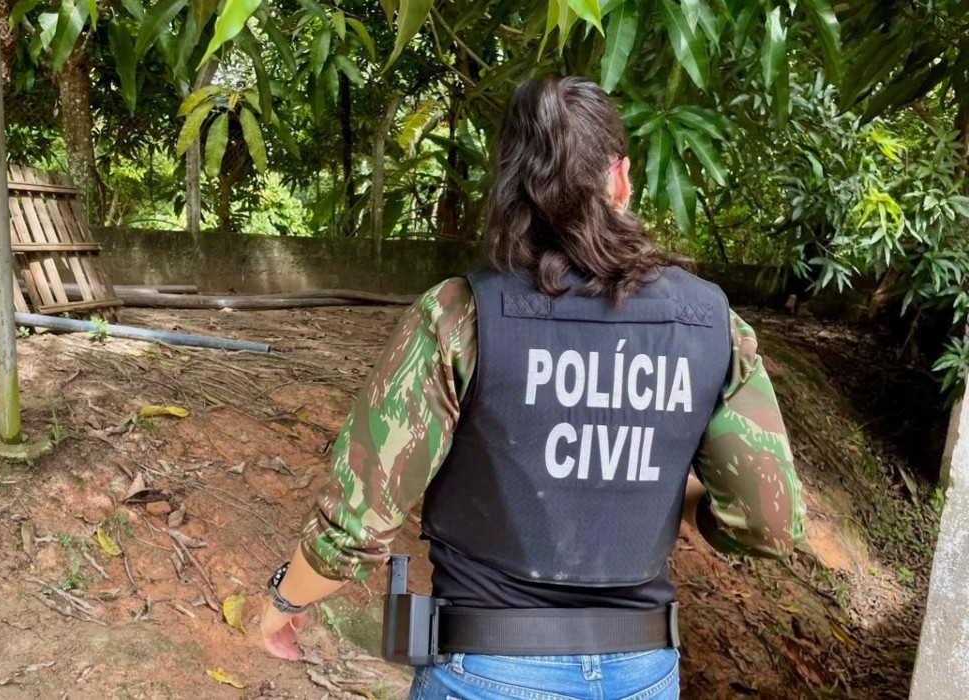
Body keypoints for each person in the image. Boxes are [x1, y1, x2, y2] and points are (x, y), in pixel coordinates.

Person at [259, 76, 805, 700]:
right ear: (621, 179)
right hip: (643, 671)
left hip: (488, 668)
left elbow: (360, 517)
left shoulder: (459, 315)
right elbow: (769, 521)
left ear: (509, 186)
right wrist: (661, 485)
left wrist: (284, 599)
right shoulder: (714, 326)